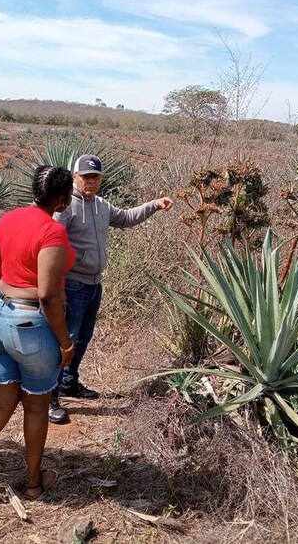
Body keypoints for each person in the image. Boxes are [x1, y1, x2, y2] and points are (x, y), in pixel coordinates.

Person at [0, 166, 76, 503]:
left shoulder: (8, 219)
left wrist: (5, 305)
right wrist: (65, 342)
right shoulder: (52, 232)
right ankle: (34, 484)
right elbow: (49, 295)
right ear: (63, 200)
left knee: (0, 403)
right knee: (36, 409)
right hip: (31, 325)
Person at [49, 154, 173, 424]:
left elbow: (126, 218)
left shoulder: (102, 206)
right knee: (65, 340)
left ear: (101, 179)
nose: (90, 181)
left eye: (95, 177)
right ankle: (51, 393)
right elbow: (54, 242)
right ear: (75, 176)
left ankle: (69, 381)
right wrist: (67, 273)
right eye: (85, 176)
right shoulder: (66, 207)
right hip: (72, 284)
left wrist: (154, 205)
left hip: (94, 285)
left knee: (83, 337)